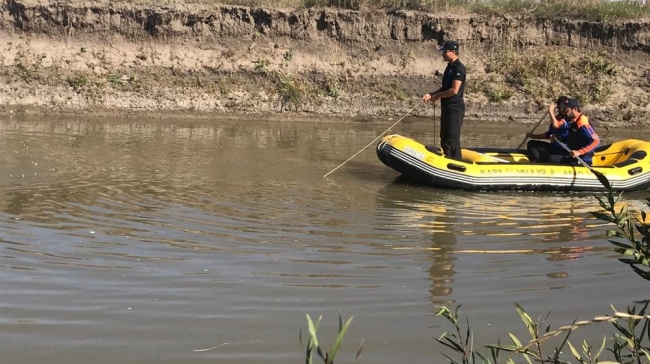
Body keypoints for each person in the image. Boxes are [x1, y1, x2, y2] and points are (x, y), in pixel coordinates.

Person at [422, 41, 466, 160]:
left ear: (453, 52)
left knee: (452, 138)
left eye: (445, 52)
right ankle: (447, 161)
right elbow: (445, 88)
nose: (443, 54)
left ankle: (457, 163)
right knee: (444, 137)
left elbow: (454, 90)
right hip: (446, 108)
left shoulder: (459, 68)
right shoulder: (449, 68)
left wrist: (438, 96)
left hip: (455, 109)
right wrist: (432, 94)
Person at [547, 98, 600, 166]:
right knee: (551, 152)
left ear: (574, 109)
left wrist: (580, 152)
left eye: (567, 110)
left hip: (583, 159)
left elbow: (596, 141)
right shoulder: (572, 120)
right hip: (572, 154)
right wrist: (558, 138)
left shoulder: (582, 121)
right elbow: (574, 138)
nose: (565, 112)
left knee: (551, 159)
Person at [526, 96, 570, 163]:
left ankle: (540, 162)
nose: (565, 109)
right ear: (558, 107)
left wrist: (551, 111)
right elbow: (548, 134)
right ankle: (537, 161)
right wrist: (533, 136)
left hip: (564, 148)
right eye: (563, 106)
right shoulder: (556, 118)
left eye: (566, 106)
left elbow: (557, 125)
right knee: (531, 144)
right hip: (554, 146)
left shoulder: (569, 119)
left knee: (549, 155)